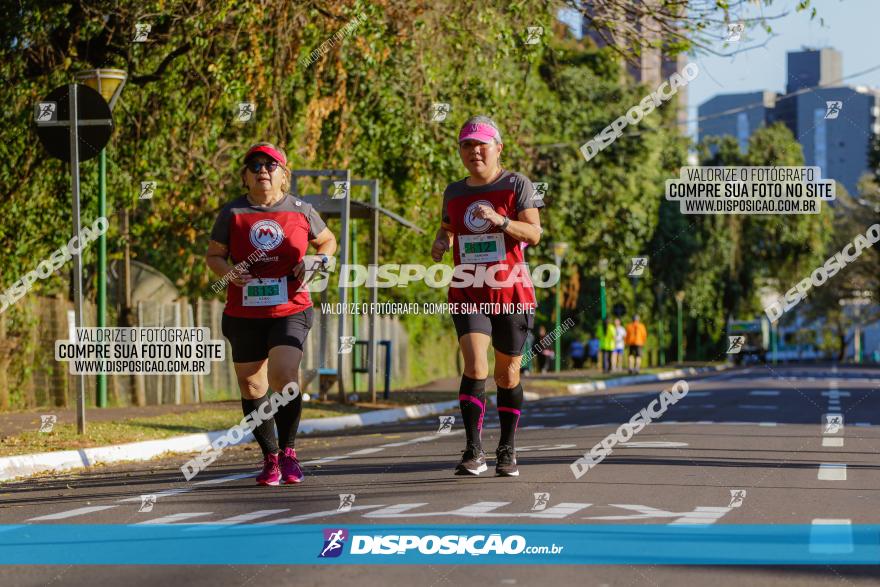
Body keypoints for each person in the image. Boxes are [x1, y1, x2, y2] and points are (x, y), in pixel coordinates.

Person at [206, 142, 337, 486]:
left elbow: (328, 241)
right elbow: (214, 256)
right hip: (243, 312)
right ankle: (270, 458)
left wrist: (317, 260)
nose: (263, 170)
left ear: (284, 176)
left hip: (290, 308)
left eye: (270, 165)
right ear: (245, 178)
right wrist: (229, 273)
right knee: (252, 385)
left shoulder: (301, 210)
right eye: (255, 166)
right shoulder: (232, 213)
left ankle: (290, 452)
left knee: (283, 374)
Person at [431, 115, 543, 477]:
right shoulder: (454, 191)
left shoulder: (517, 184)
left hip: (511, 291)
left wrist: (502, 221)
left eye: (481, 144)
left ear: (498, 148)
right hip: (468, 286)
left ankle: (507, 448)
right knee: (475, 365)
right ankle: (473, 450)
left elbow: (535, 234)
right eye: (466, 145)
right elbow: (448, 227)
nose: (474, 151)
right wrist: (441, 242)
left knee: (507, 374)